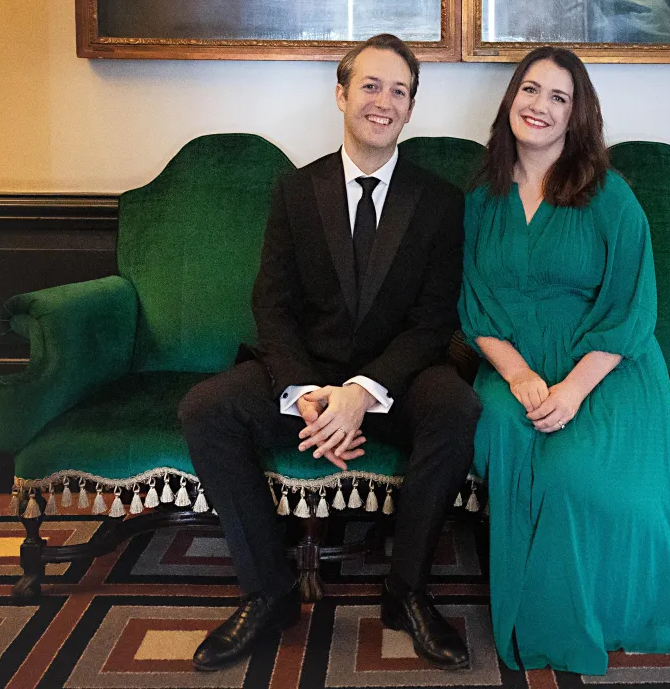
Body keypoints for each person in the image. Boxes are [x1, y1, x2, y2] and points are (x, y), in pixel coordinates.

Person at [179, 33, 480, 673]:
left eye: (400, 90)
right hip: (306, 377)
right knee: (206, 409)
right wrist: (308, 395)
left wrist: (362, 393)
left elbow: (432, 323)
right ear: (341, 95)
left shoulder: (440, 201)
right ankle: (268, 593)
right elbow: (273, 305)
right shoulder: (295, 191)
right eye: (371, 86)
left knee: (456, 408)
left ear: (410, 108)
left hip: (397, 381)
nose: (384, 101)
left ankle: (407, 593)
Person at [460, 46, 670, 675]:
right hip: (512, 363)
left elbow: (633, 309)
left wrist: (576, 388)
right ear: (510, 100)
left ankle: (607, 616)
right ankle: (534, 615)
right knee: (506, 434)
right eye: (531, 90)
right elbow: (474, 307)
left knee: (576, 477)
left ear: (577, 117)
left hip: (607, 364)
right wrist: (521, 374)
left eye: (559, 98)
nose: (540, 107)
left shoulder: (610, 196)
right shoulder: (482, 196)